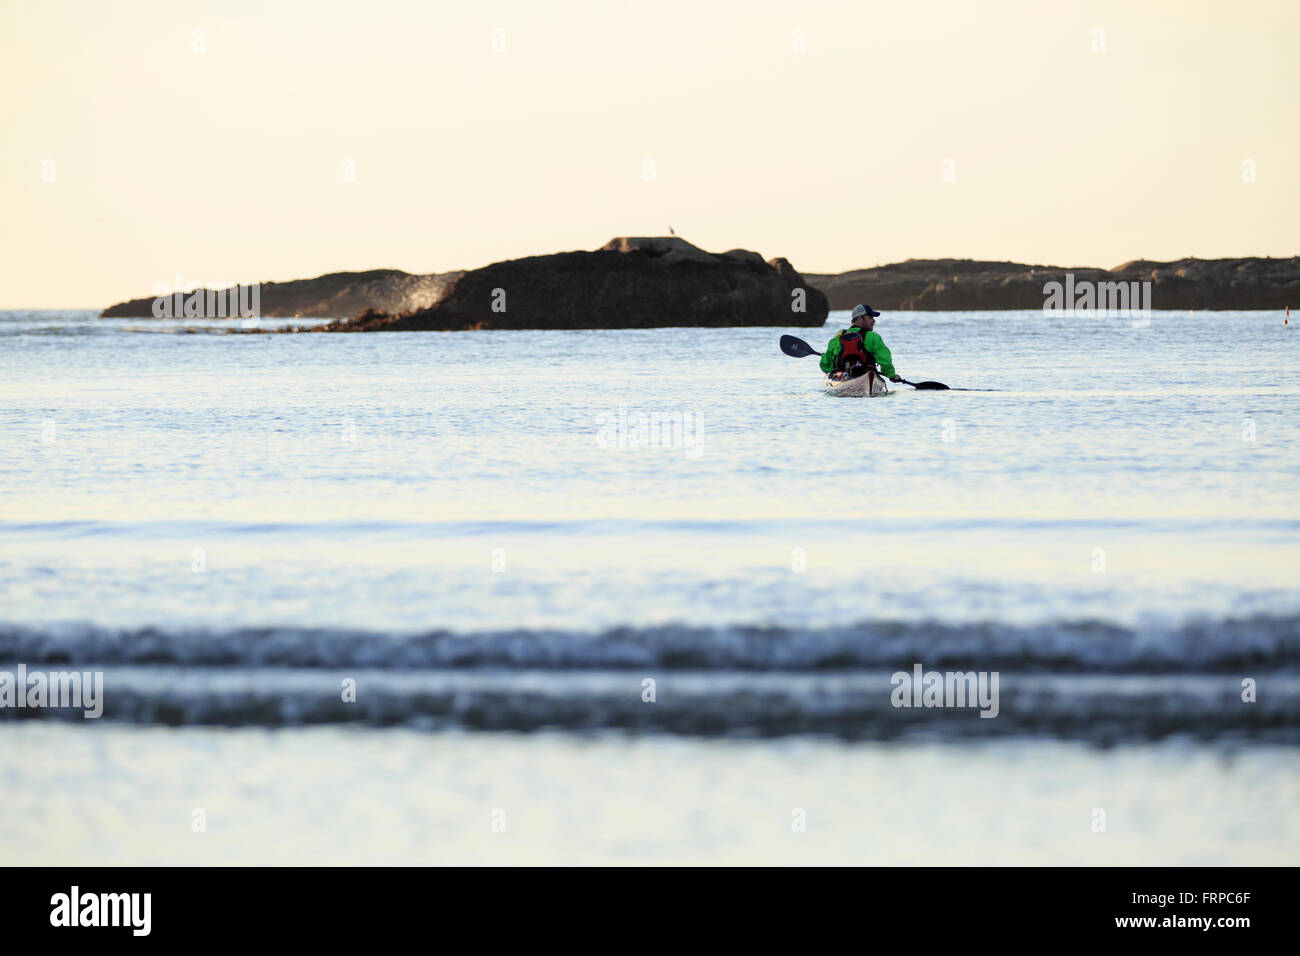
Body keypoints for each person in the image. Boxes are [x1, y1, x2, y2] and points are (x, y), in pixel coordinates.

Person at [820, 304, 902, 387]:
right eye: (870, 317)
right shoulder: (873, 337)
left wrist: (827, 359)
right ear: (859, 318)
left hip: (843, 379)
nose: (874, 321)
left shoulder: (837, 339)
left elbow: (825, 366)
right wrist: (891, 376)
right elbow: (885, 360)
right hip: (867, 375)